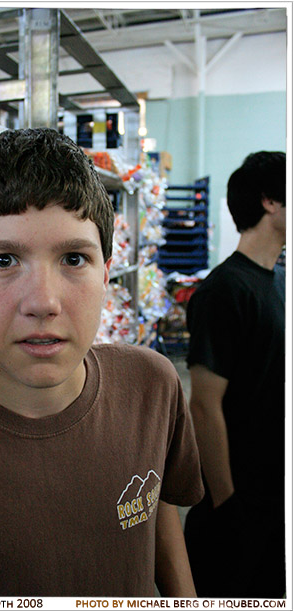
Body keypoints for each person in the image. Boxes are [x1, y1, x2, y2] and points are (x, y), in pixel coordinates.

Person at [0, 128, 204, 598]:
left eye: (74, 258)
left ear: (106, 272)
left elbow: (156, 508)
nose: (43, 302)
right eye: (4, 261)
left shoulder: (152, 385)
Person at [184, 151, 286, 597]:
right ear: (269, 201)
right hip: (239, 503)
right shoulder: (225, 290)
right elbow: (204, 407)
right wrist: (228, 506)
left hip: (274, 493)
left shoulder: (277, 280)